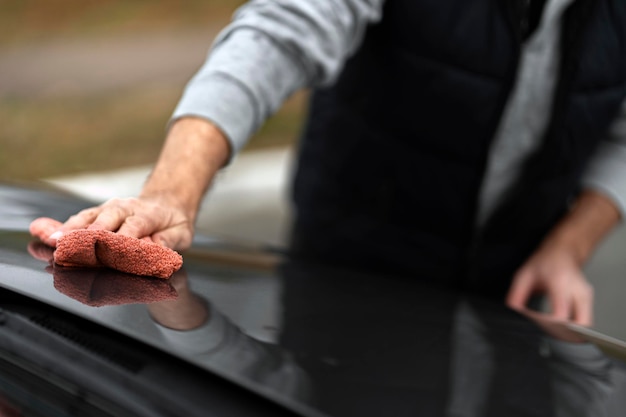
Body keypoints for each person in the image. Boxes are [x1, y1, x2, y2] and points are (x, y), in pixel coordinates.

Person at [46, 0, 626, 325]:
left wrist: (568, 247)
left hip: (514, 304)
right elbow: (281, 33)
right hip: (347, 286)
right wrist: (171, 192)